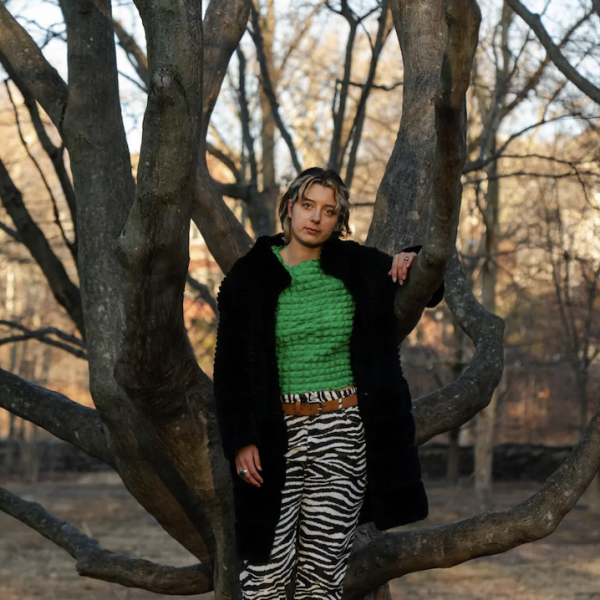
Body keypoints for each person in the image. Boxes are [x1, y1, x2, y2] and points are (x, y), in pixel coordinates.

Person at [213, 167, 444, 600]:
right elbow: (228, 367)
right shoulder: (250, 276)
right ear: (288, 207)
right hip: (274, 435)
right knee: (264, 575)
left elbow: (426, 286)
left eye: (329, 211)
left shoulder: (356, 266)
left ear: (339, 221)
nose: (315, 218)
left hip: (342, 430)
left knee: (321, 577)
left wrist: (410, 257)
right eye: (307, 206)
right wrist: (240, 439)